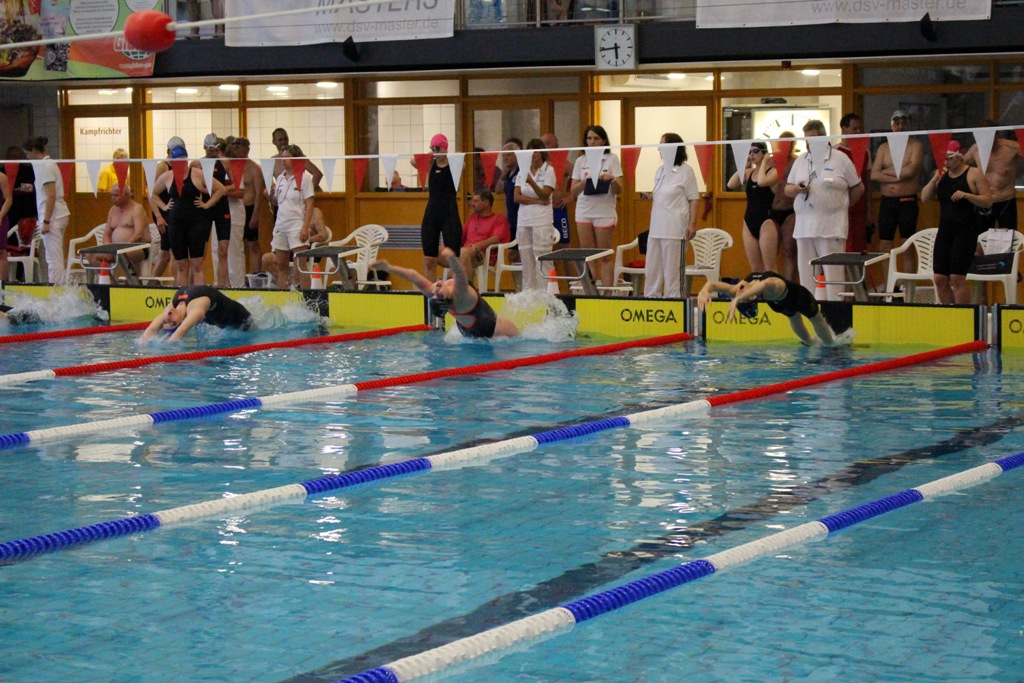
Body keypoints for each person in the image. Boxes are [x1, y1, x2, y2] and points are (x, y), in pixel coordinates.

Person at [784, 119, 864, 300]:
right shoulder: (801, 161)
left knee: (833, 277)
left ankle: (835, 312)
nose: (809, 143)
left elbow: (858, 188)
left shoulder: (840, 159)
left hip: (831, 227)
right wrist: (796, 188)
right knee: (806, 277)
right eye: (806, 139)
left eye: (812, 138)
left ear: (824, 137)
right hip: (804, 228)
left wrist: (841, 206)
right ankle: (808, 309)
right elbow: (787, 189)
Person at [373, 246, 520, 338]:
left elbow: (413, 275)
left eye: (433, 294)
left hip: (469, 331)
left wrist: (389, 268)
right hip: (493, 329)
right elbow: (460, 273)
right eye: (438, 294)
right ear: (446, 299)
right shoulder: (460, 295)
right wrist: (451, 258)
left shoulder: (436, 293)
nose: (435, 289)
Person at [921, 140, 992, 304]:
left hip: (965, 232)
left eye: (950, 158)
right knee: (939, 278)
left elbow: (988, 201)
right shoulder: (941, 174)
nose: (946, 162)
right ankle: (949, 314)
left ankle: (963, 315)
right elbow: (924, 197)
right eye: (944, 159)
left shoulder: (974, 174)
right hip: (945, 231)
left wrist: (967, 195)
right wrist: (934, 180)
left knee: (957, 278)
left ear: (960, 157)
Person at [149, 151, 226, 286]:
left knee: (197, 264)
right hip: (176, 224)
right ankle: (182, 296)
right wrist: (164, 206)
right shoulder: (167, 176)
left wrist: (207, 204)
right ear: (172, 161)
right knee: (182, 266)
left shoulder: (197, 174)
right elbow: (153, 194)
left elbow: (220, 189)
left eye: (184, 160)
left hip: (196, 224)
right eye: (178, 160)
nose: (181, 163)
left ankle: (198, 295)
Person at [697, 272, 835, 346]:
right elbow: (764, 285)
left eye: (740, 295)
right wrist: (738, 299)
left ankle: (830, 346)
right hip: (781, 303)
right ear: (754, 297)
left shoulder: (745, 290)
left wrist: (703, 292)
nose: (739, 292)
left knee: (815, 319)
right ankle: (811, 343)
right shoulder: (762, 291)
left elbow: (712, 285)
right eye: (743, 296)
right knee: (794, 318)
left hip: (799, 297)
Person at [641, 133, 699, 298]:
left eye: (662, 145)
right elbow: (663, 194)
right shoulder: (660, 170)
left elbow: (694, 199)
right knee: (652, 270)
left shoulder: (686, 171)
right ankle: (650, 299)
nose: (659, 148)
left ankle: (675, 303)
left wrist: (692, 224)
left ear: (673, 148)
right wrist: (650, 196)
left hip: (674, 230)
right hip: (656, 229)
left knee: (673, 273)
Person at [871, 109, 925, 283]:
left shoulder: (916, 146)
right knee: (884, 246)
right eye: (897, 123)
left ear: (909, 125)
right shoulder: (884, 148)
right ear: (892, 126)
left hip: (907, 201)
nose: (900, 127)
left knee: (907, 246)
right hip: (887, 202)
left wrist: (886, 171)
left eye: (903, 123)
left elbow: (910, 172)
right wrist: (899, 174)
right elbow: (874, 174)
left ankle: (907, 286)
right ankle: (890, 286)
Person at [570, 125, 623, 288]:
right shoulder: (581, 161)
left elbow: (619, 189)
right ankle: (590, 293)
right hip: (584, 210)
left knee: (605, 255)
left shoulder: (612, 159)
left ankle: (607, 294)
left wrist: (611, 179)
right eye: (589, 138)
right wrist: (583, 183)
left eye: (596, 138)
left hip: (604, 211)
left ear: (603, 141)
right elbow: (573, 192)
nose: (592, 142)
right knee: (588, 256)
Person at [23, 135, 70, 283]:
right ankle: (59, 288)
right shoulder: (48, 165)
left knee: (53, 260)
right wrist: (33, 188)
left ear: (34, 150)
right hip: (58, 214)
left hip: (53, 217)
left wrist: (46, 221)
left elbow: (51, 196)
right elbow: (48, 191)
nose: (27, 157)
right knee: (55, 257)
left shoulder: (46, 167)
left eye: (27, 153)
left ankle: (57, 291)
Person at [141, 285, 253, 343]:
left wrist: (146, 343)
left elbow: (181, 331)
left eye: (166, 321)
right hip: (231, 320)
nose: (167, 317)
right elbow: (152, 330)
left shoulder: (183, 306)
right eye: (172, 322)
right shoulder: (191, 309)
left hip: (242, 320)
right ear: (181, 321)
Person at [271, 144, 316, 289]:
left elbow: (310, 204)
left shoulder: (304, 178)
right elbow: (277, 202)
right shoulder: (279, 178)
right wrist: (270, 195)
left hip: (296, 224)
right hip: (280, 224)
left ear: (296, 159)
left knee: (300, 264)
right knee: (281, 265)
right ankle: (283, 295)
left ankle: (306, 297)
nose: (283, 160)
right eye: (282, 157)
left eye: (287, 157)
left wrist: (305, 228)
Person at [515, 139, 557, 291]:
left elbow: (545, 195)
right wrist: (537, 201)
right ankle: (529, 293)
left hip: (542, 220)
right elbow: (516, 197)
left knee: (542, 258)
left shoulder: (549, 171)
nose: (533, 154)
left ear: (542, 153)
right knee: (526, 259)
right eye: (530, 151)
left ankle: (547, 293)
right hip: (524, 220)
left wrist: (532, 183)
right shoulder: (522, 170)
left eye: (536, 151)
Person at [964, 120, 1021, 232]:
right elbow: (959, 166)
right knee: (980, 238)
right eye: (983, 137)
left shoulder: (1012, 148)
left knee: (1007, 239)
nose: (986, 140)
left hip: (1005, 200)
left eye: (989, 136)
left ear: (996, 134)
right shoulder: (976, 149)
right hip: (983, 201)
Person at [728, 141, 776, 272]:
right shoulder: (748, 173)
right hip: (749, 221)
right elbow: (730, 184)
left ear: (764, 153)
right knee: (755, 269)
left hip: (766, 221)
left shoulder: (773, 172)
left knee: (770, 268)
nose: (752, 155)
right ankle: (756, 287)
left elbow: (761, 182)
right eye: (749, 152)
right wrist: (743, 165)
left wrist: (765, 163)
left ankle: (772, 287)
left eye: (755, 151)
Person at [420, 133, 462, 279]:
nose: (435, 152)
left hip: (449, 213)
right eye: (433, 149)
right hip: (431, 214)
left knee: (454, 260)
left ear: (445, 148)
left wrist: (450, 155)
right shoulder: (431, 164)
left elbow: (462, 163)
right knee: (429, 260)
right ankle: (431, 292)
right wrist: (430, 153)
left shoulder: (454, 165)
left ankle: (455, 290)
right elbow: (413, 161)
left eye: (438, 149)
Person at [757, 131, 798, 282]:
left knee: (789, 250)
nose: (788, 146)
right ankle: (770, 285)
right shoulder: (771, 161)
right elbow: (758, 177)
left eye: (790, 143)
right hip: (773, 209)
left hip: (790, 210)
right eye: (784, 143)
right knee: (769, 252)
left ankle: (788, 286)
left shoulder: (797, 162)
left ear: (794, 144)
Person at [227, 137, 267, 278]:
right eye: (235, 146)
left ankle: (256, 277)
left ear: (247, 149)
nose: (236, 149)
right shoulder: (229, 166)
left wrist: (255, 215)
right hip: (235, 209)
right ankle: (240, 276)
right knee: (238, 245)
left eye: (239, 146)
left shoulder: (254, 168)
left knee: (252, 244)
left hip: (249, 209)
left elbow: (258, 194)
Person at [149, 137, 187, 281]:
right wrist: (159, 216)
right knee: (173, 252)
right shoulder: (162, 167)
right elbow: (151, 194)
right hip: (163, 214)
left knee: (165, 254)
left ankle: (150, 284)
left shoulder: (180, 167)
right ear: (169, 151)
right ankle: (175, 285)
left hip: (173, 213)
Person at [836, 112, 872, 253]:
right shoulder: (834, 152)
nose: (858, 132)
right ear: (844, 129)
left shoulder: (865, 153)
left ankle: (857, 269)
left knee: (858, 247)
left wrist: (869, 211)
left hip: (859, 208)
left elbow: (867, 184)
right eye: (854, 129)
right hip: (839, 207)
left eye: (859, 129)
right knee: (842, 246)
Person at [203, 134, 234, 286]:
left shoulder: (224, 162)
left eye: (216, 150)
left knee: (223, 250)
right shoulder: (197, 164)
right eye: (211, 151)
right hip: (204, 208)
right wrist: (208, 191)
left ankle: (222, 286)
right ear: (205, 149)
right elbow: (191, 185)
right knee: (199, 253)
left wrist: (220, 190)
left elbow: (236, 185)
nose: (213, 154)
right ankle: (196, 286)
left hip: (221, 208)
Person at [461, 190, 510, 280]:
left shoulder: (498, 219)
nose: (472, 204)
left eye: (476, 201)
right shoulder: (472, 217)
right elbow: (461, 234)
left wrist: (477, 246)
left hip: (483, 255)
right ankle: (448, 283)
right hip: (466, 251)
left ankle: (463, 286)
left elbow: (496, 239)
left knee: (463, 254)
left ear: (486, 203)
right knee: (440, 251)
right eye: (472, 201)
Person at [99, 183, 149, 270]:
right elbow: (107, 233)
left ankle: (132, 278)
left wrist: (123, 248)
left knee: (123, 255)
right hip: (116, 249)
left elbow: (138, 234)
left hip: (137, 247)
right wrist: (108, 247)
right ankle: (109, 278)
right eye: (111, 195)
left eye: (115, 195)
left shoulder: (137, 209)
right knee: (91, 256)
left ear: (126, 195)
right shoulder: (113, 210)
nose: (112, 198)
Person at [495, 137, 522, 249]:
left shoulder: (522, 171)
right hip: (511, 219)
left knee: (520, 252)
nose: (505, 158)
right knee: (512, 252)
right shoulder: (507, 173)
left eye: (509, 155)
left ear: (517, 155)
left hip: (522, 219)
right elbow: (498, 190)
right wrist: (503, 175)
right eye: (504, 155)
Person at [0, 167, 13, 281]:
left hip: (0, 216)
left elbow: (8, 199)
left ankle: (2, 283)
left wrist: (0, 215)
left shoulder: (2, 177)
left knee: (1, 252)